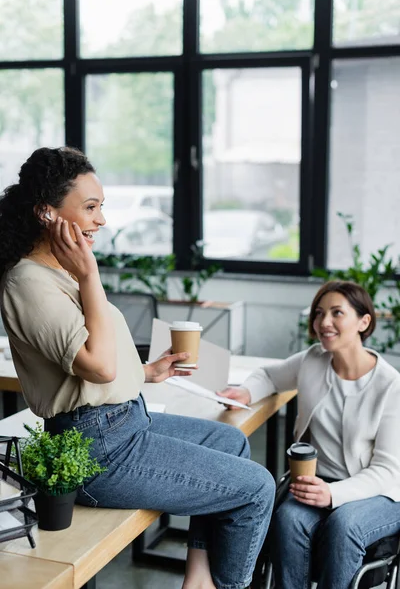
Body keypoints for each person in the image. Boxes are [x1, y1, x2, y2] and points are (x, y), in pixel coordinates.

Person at [0, 146, 275, 589]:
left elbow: (97, 360)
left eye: (101, 207)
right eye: (90, 208)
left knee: (231, 442)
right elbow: (99, 368)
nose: (101, 220)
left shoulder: (63, 270)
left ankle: (199, 580)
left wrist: (145, 372)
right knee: (257, 488)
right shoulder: (28, 282)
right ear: (46, 213)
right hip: (96, 449)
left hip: (125, 423)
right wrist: (90, 276)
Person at [219, 280, 400, 589]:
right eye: (319, 313)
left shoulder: (391, 387)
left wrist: (334, 495)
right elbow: (268, 375)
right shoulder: (313, 361)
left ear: (364, 321)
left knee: (344, 525)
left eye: (336, 313)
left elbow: (388, 472)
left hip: (379, 493)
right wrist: (247, 391)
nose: (323, 322)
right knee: (288, 520)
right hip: (316, 481)